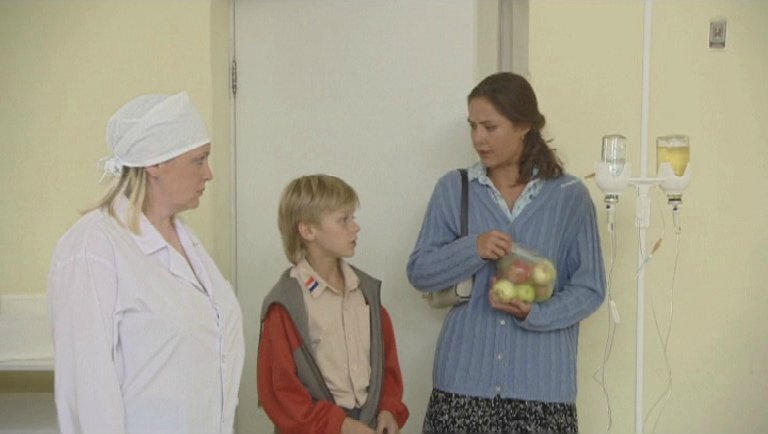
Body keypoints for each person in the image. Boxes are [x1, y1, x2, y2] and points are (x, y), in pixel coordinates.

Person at [407, 72, 606, 433]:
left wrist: (537, 314)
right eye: (472, 126)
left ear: (524, 126)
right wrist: (473, 248)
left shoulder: (569, 197)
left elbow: (590, 288)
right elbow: (420, 271)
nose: (478, 138)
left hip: (543, 392)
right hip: (462, 389)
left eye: (490, 127)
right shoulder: (454, 189)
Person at [47, 92, 245, 434]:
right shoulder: (94, 247)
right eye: (199, 160)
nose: (209, 174)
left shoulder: (188, 243)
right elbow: (87, 390)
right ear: (154, 164)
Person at [257, 175, 409, 434]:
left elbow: (388, 365)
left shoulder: (366, 293)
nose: (355, 227)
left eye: (353, 217)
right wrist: (339, 425)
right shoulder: (285, 305)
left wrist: (388, 409)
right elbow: (280, 392)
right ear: (308, 230)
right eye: (343, 219)